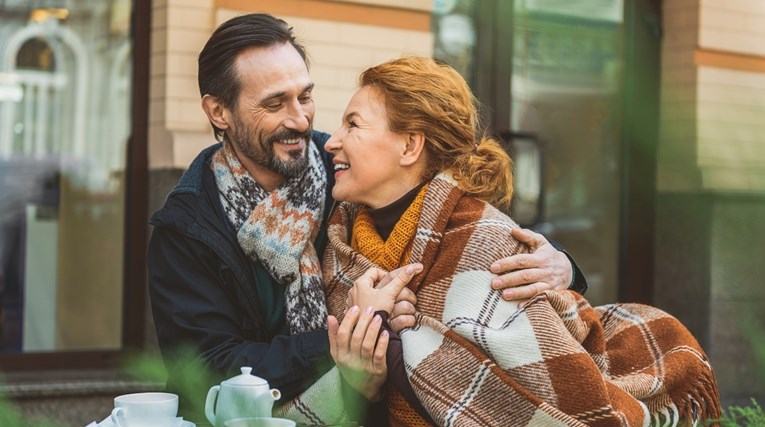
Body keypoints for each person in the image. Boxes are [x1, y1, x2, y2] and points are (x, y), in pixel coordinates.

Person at [147, 13, 585, 422]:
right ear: (219, 112)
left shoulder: (342, 167)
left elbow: (452, 218)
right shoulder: (188, 228)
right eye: (275, 104)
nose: (300, 120)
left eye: (305, 96)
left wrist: (561, 263)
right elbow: (206, 370)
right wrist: (351, 334)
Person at [281, 56, 720, 426]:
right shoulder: (339, 239)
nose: (331, 142)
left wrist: (395, 343)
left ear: (410, 146)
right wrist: (371, 356)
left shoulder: (486, 242)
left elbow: (535, 404)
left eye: (353, 124)